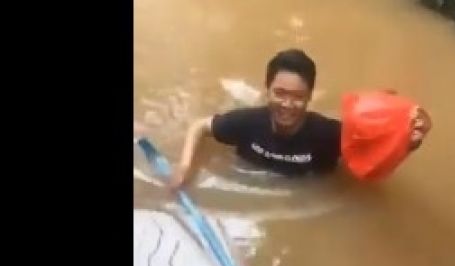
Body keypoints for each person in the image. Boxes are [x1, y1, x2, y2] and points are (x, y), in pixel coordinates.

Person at [169, 48, 432, 189]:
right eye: (279, 93)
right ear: (267, 89)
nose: (287, 104)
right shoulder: (247, 122)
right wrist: (185, 166)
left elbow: (374, 160)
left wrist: (408, 142)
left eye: (297, 96)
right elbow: (199, 126)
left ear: (309, 97)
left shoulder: (329, 134)